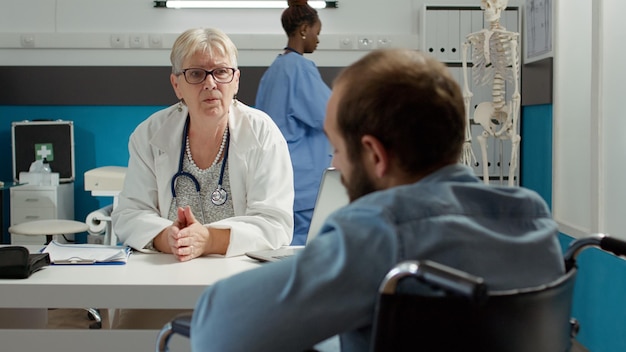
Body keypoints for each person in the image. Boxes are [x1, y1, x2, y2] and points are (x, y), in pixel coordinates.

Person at [190, 49, 565, 352]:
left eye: (336, 149)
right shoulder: (533, 217)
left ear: (374, 155)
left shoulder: (379, 233)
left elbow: (217, 331)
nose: (334, 162)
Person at [109, 28, 294, 329]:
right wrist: (168, 238)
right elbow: (129, 213)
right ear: (177, 84)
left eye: (221, 72)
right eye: (196, 74)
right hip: (164, 280)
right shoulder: (150, 134)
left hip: (240, 283)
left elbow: (276, 224)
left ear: (235, 80)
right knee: (129, 334)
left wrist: (208, 239)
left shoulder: (263, 134)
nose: (210, 83)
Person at [255, 0, 332, 245]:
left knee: (285, 247)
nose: (317, 40)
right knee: (305, 252)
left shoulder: (272, 72)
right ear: (303, 30)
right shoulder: (300, 69)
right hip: (305, 185)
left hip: (280, 181)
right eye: (316, 33)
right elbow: (332, 116)